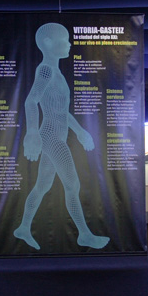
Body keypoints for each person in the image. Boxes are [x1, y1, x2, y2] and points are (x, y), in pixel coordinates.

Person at [13, 23, 110, 250]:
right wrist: (32, 133)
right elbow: (31, 100)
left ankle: (23, 228)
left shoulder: (55, 72)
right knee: (72, 184)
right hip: (51, 137)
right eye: (64, 40)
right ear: (48, 43)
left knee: (42, 186)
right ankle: (84, 234)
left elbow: (61, 112)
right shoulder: (46, 70)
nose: (69, 44)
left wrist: (80, 131)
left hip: (57, 134)